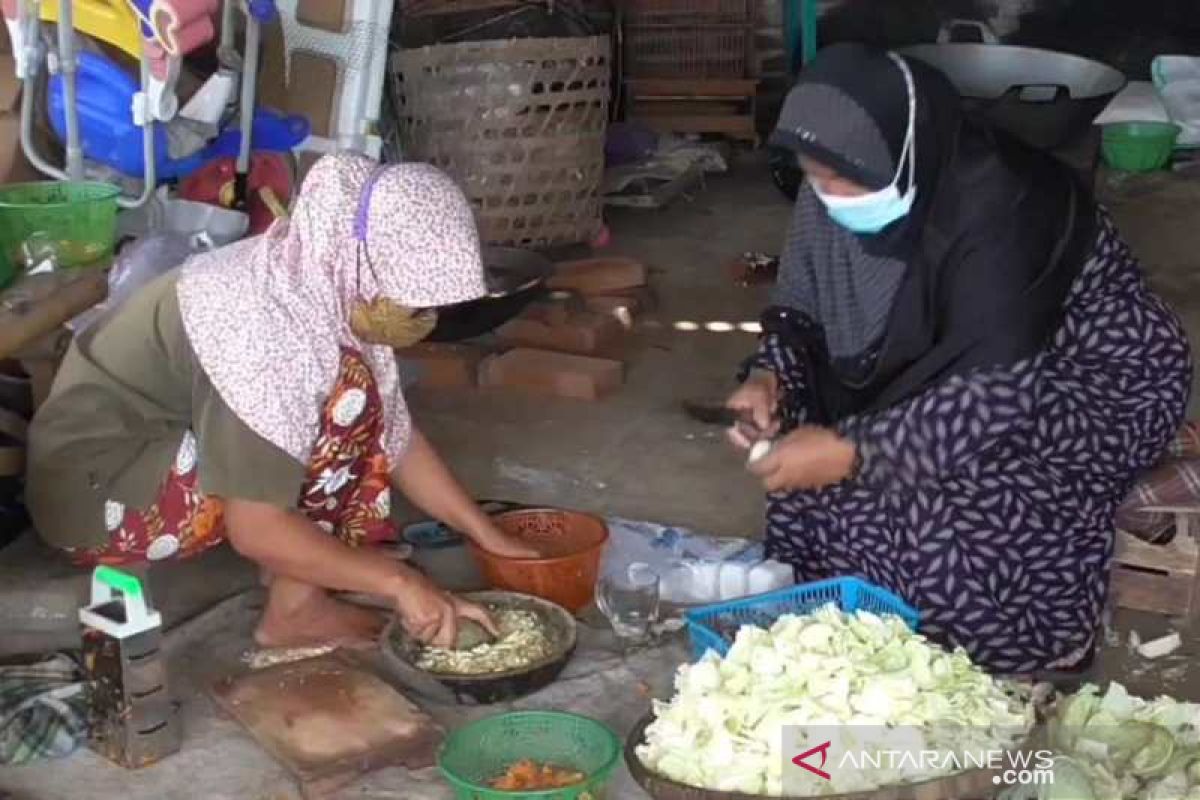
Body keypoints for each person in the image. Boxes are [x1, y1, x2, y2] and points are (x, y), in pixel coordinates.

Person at [727, 44, 1191, 673]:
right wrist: (768, 375)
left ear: (906, 148)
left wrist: (853, 452)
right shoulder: (841, 179)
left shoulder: (1008, 208)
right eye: (815, 173)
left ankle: (1011, 653)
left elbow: (992, 398)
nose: (830, 193)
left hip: (1083, 381)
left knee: (947, 478)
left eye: (846, 179)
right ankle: (852, 629)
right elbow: (802, 307)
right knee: (811, 426)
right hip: (939, 366)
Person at [27, 153, 536, 650]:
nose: (419, 317)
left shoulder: (322, 275)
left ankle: (300, 593)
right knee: (347, 413)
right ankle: (294, 614)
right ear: (363, 260)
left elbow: (396, 440)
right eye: (411, 300)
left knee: (358, 409)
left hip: (143, 452)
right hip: (98, 494)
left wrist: (487, 535)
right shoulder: (267, 325)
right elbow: (257, 529)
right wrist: (402, 583)